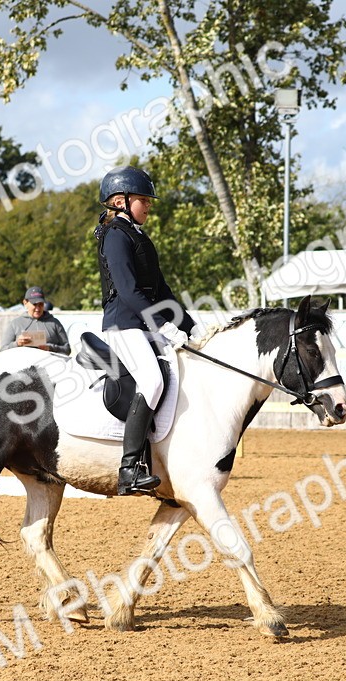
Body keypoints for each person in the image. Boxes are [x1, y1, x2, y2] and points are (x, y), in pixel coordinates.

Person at [94, 165, 202, 495]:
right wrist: (164, 327)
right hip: (123, 325)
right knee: (152, 381)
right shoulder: (115, 236)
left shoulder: (140, 237)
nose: (149, 206)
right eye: (143, 200)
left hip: (143, 327)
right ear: (119, 201)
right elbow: (128, 290)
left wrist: (193, 326)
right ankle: (129, 468)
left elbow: (162, 291)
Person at [0, 287, 70, 355]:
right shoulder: (15, 324)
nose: (38, 308)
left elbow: (67, 349)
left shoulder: (55, 323)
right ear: (25, 303)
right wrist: (17, 344)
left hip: (49, 365)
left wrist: (50, 348)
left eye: (41, 304)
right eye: (34, 304)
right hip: (23, 366)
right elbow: (3, 350)